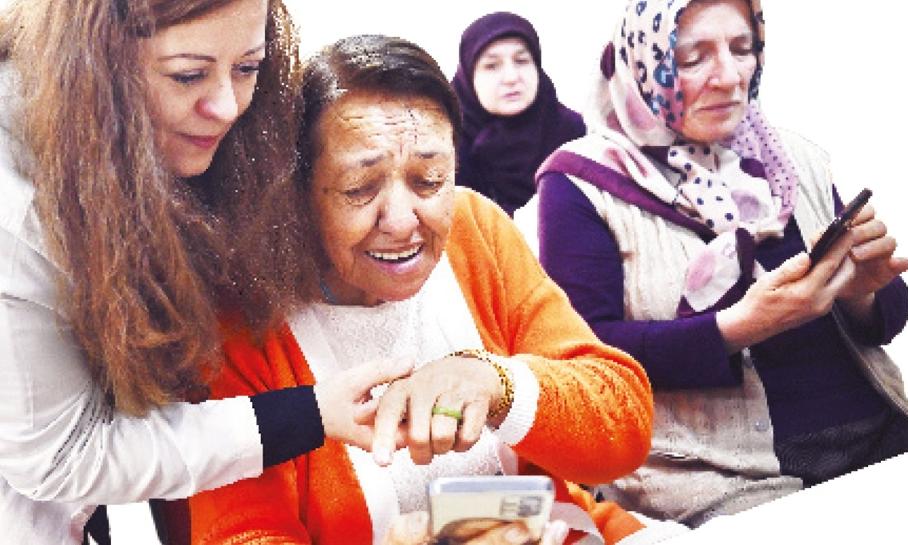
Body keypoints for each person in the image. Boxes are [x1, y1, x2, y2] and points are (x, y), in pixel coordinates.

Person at [185, 34, 678, 545]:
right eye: (360, 189)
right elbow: (240, 532)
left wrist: (498, 384)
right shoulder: (244, 316)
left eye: (430, 180)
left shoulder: (474, 229)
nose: (402, 222)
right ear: (299, 193)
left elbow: (622, 426)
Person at [533, 0, 908, 527]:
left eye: (742, 49)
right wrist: (738, 328)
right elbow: (584, 359)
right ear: (642, 64)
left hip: (878, 428)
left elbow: (887, 323)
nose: (730, 76)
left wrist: (863, 292)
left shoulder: (789, 158)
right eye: (693, 58)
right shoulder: (579, 184)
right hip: (718, 472)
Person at [0, 1, 405, 543]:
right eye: (188, 75)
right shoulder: (16, 211)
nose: (227, 106)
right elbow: (61, 456)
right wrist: (307, 414)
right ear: (94, 61)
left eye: (248, 67)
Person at [452, 12, 584, 216]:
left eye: (521, 61)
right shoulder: (450, 145)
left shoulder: (575, 133)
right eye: (491, 66)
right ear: (469, 77)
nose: (511, 77)